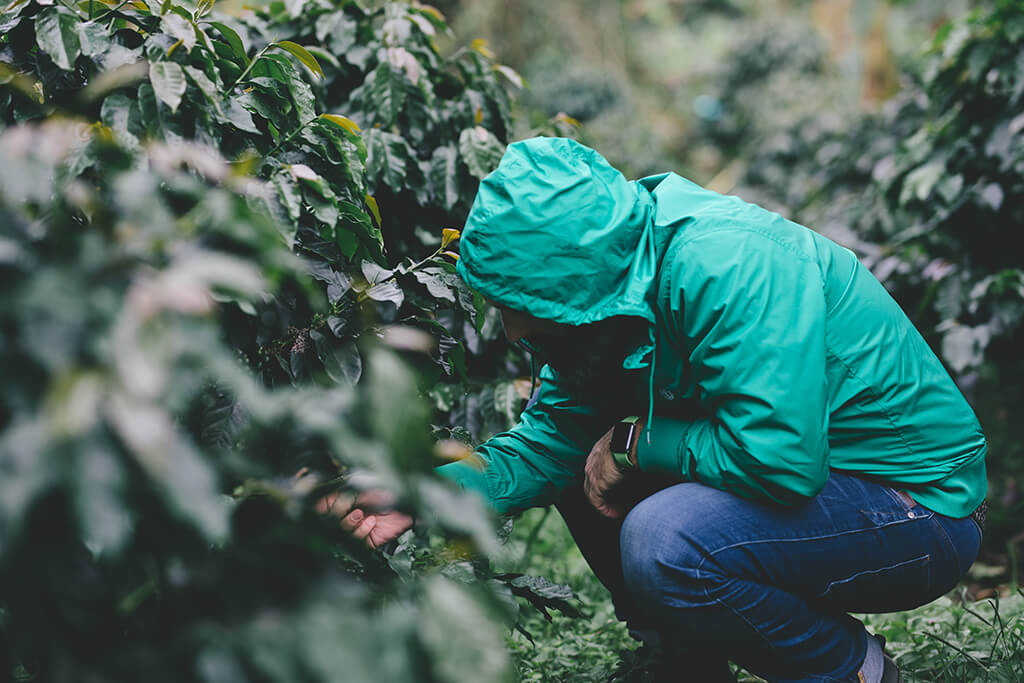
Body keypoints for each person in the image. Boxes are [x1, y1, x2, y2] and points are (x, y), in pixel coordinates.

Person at [333, 137, 988, 683]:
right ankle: (685, 660)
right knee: (581, 457)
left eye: (517, 307)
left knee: (663, 537)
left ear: (572, 286)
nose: (510, 331)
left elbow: (781, 459)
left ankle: (855, 670)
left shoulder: (727, 265)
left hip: (918, 507)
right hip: (826, 491)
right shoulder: (602, 311)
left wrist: (634, 444)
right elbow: (546, 447)